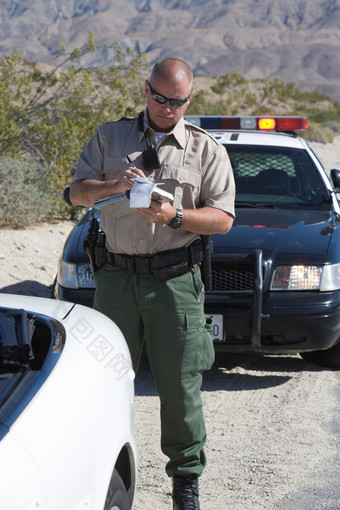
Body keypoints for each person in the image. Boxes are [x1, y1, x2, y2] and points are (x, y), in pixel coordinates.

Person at [70, 57, 235, 510]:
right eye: (160, 98)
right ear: (146, 89)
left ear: (190, 99)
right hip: (117, 279)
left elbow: (221, 219)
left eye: (178, 101)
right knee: (104, 380)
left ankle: (185, 483)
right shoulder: (110, 136)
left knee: (180, 385)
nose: (167, 108)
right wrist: (111, 186)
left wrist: (176, 215)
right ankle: (101, 471)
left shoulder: (205, 150)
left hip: (175, 282)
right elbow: (75, 192)